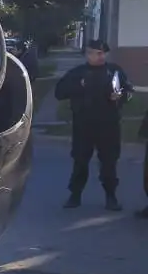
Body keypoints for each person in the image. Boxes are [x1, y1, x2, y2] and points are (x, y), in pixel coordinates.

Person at [54, 39, 134, 210]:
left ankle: (111, 197)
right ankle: (75, 195)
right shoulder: (77, 73)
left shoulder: (114, 71)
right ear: (87, 54)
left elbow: (128, 92)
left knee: (109, 162)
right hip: (84, 125)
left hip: (109, 125)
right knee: (80, 161)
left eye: (102, 53)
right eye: (96, 53)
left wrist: (121, 97)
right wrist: (78, 86)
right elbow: (59, 93)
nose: (100, 56)